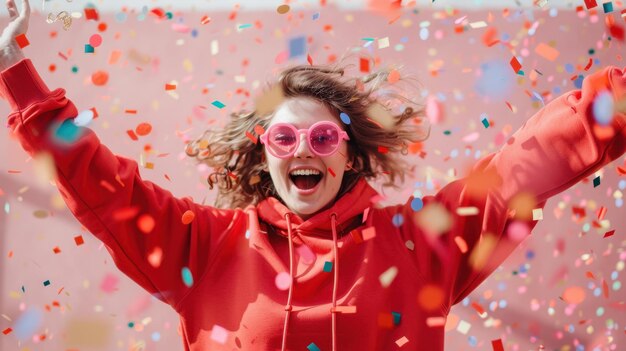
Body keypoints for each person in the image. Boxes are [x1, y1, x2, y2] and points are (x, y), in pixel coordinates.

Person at [1, 1, 625, 350]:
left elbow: (519, 169)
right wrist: (14, 71)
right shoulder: (205, 246)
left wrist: (614, 105)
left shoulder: (417, 244)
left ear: (349, 154)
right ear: (264, 151)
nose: (305, 148)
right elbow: (105, 190)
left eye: (324, 136)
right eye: (286, 136)